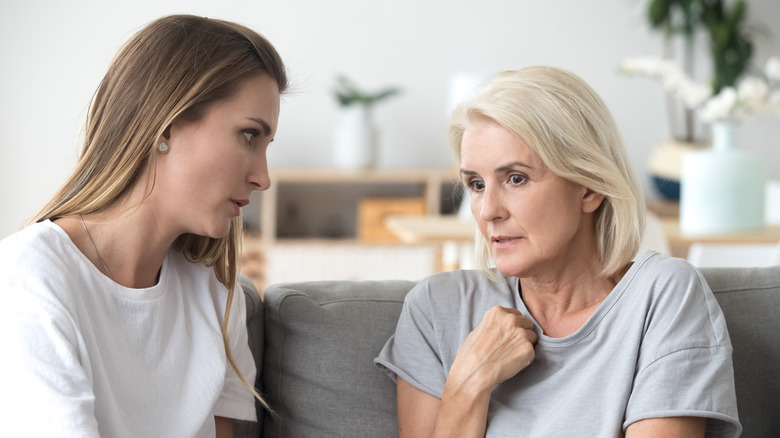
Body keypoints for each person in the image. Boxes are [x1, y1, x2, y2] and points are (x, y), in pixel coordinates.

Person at [375, 66, 740, 437]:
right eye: (477, 184)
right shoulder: (437, 309)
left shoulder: (662, 295)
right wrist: (468, 386)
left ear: (589, 187)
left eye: (516, 178)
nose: (488, 211)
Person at [0, 15, 286, 437]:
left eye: (265, 145)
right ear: (165, 124)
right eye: (248, 136)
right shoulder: (30, 278)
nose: (263, 177)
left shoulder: (216, 296)